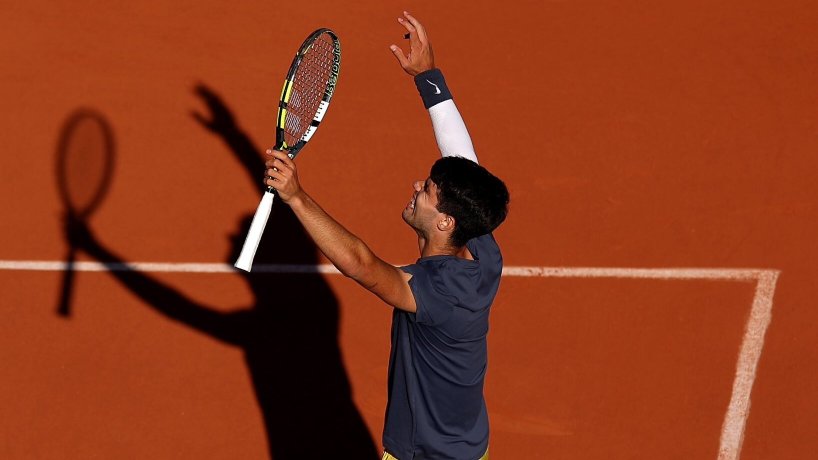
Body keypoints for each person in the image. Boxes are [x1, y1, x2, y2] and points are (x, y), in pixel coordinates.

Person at [264, 12, 509, 460]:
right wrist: (428, 78)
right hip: (472, 450)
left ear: (445, 222)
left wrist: (297, 198)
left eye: (428, 191)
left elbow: (362, 264)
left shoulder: (433, 292)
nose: (417, 187)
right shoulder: (484, 253)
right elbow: (463, 161)